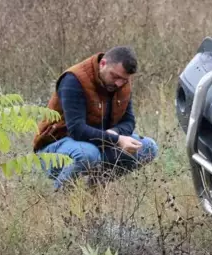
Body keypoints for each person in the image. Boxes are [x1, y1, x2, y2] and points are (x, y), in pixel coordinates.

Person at [33, 46, 159, 190]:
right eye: (115, 76)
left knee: (148, 148)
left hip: (97, 144)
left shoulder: (121, 84)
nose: (119, 83)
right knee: (88, 154)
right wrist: (117, 139)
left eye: (124, 80)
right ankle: (60, 201)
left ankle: (95, 190)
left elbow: (129, 121)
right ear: (103, 64)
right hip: (55, 148)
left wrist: (115, 132)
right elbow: (77, 130)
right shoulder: (74, 80)